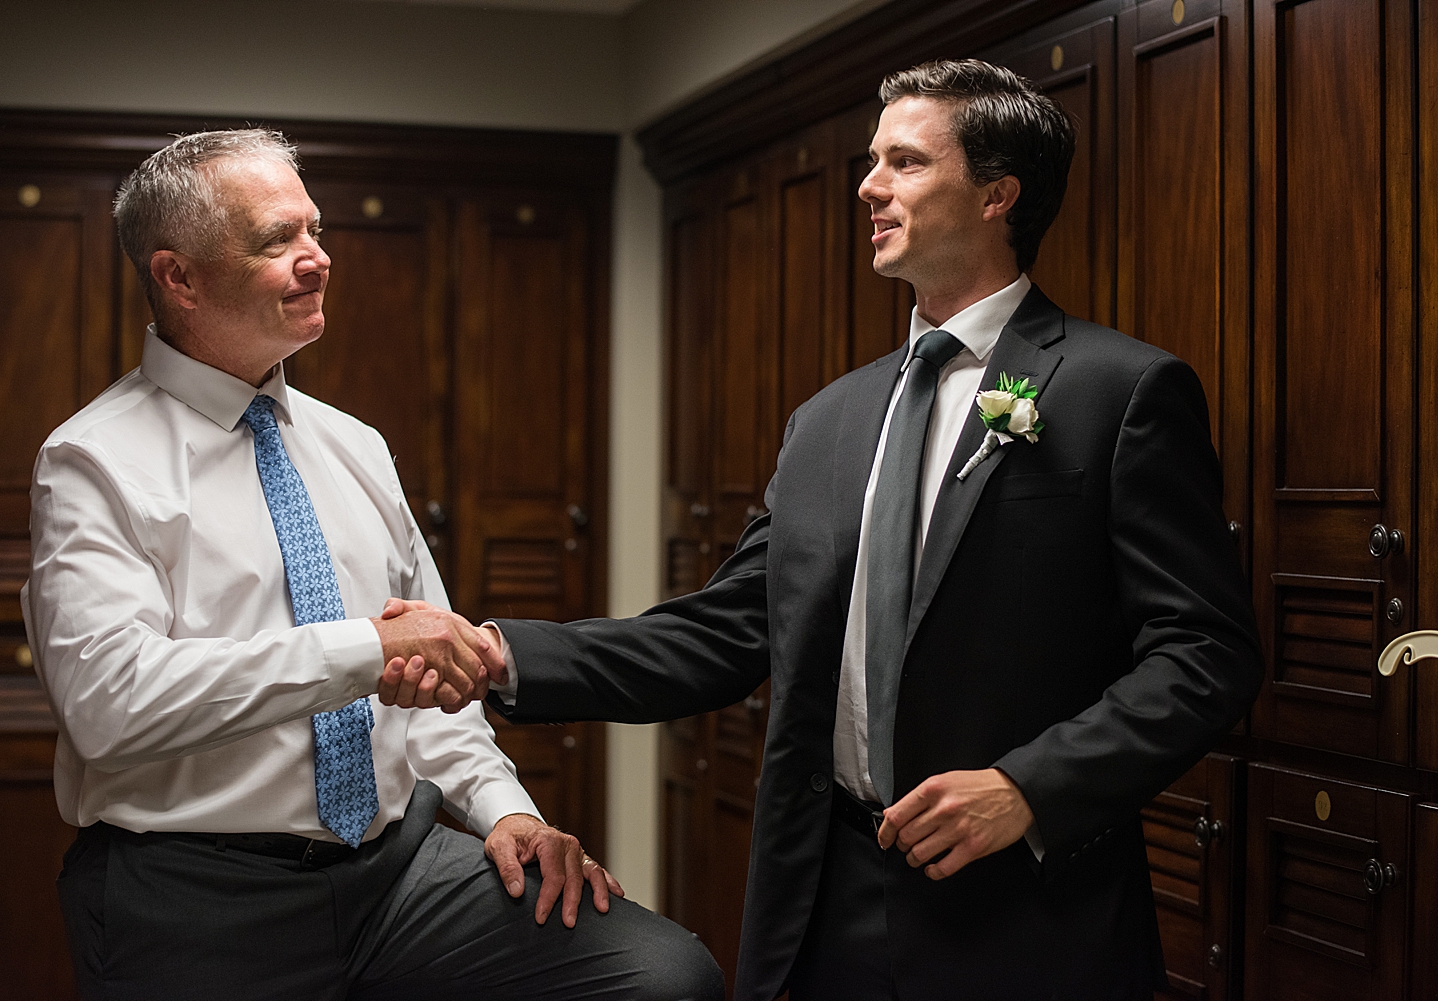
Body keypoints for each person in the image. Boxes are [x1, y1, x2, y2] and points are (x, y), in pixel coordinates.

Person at [385, 59, 1262, 1000]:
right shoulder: (829, 421)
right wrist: (500, 654)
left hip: (1028, 906)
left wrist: (1027, 788)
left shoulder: (1119, 392)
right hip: (826, 892)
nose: (869, 186)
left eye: (906, 162)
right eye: (871, 160)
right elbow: (727, 630)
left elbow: (1204, 653)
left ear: (998, 194)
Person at [23, 128, 721, 1001]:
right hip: (196, 893)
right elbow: (110, 704)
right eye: (277, 240)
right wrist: (366, 649)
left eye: (315, 231)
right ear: (180, 277)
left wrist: (505, 809)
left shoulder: (354, 445)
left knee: (663, 978)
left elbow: (436, 677)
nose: (316, 259)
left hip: (398, 875)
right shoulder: (92, 460)